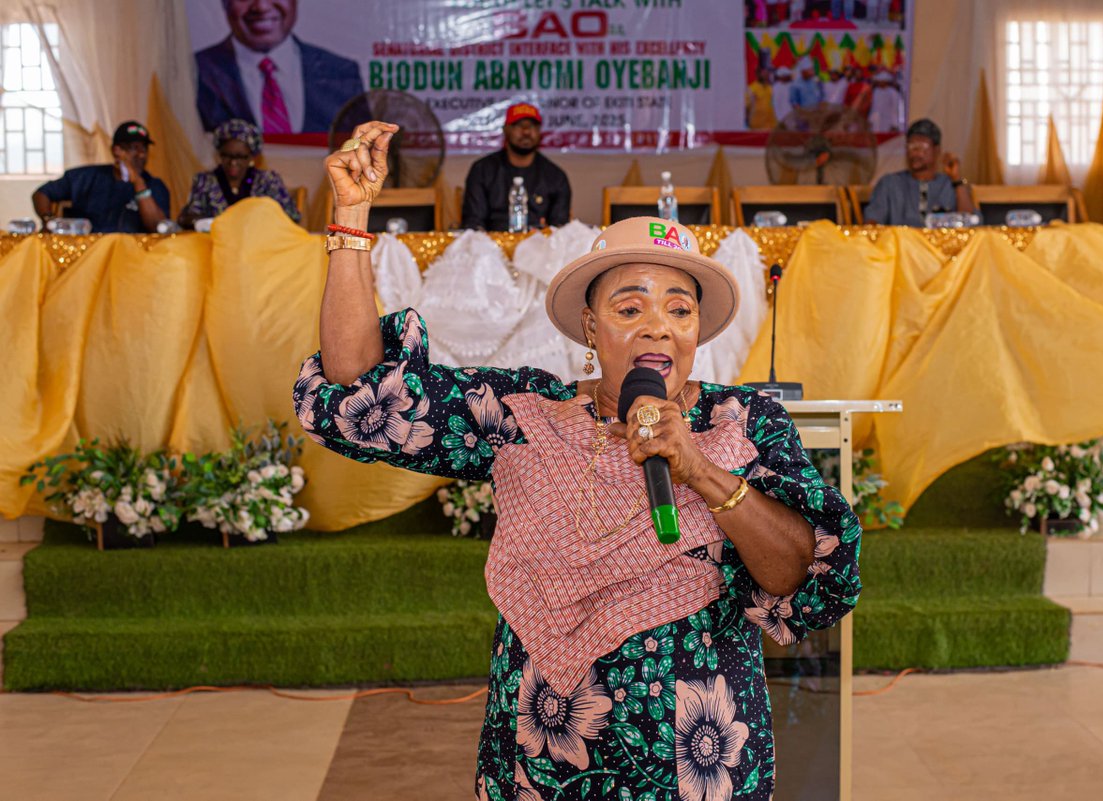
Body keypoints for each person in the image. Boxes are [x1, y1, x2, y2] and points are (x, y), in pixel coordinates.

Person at [294, 120, 862, 800]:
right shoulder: (522, 417)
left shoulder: (741, 425)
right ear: (591, 327)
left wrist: (702, 472)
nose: (658, 324)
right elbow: (363, 395)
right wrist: (351, 220)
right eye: (631, 305)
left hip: (699, 771)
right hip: (543, 764)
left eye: (680, 308)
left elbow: (803, 570)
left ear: (697, 331)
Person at [194, 0, 365, 134]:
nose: (261, 6)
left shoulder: (341, 73)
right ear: (225, 2)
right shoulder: (193, 73)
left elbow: (364, 161)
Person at [31, 121, 169, 234]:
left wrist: (139, 185)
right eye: (134, 148)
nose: (141, 155)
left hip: (132, 259)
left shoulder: (154, 185)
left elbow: (157, 227)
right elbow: (41, 193)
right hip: (87, 255)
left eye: (144, 149)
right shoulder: (85, 177)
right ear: (117, 151)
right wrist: (48, 219)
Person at [461, 103, 571, 232]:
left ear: (539, 131)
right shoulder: (482, 170)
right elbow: (473, 224)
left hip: (540, 247)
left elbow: (559, 228)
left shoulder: (555, 176)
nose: (526, 132)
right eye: (518, 125)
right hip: (491, 247)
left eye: (532, 126)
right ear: (505, 129)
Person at [177, 119, 300, 228]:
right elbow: (187, 218)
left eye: (240, 157)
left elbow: (291, 217)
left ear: (252, 157)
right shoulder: (204, 181)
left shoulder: (268, 181)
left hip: (260, 247)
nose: (233, 162)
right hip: (214, 247)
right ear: (219, 154)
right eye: (227, 156)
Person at [864, 118, 977, 226]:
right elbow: (872, 223)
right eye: (911, 146)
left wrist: (957, 180)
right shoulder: (889, 183)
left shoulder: (949, 185)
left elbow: (970, 223)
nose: (915, 153)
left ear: (937, 150)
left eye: (922, 146)